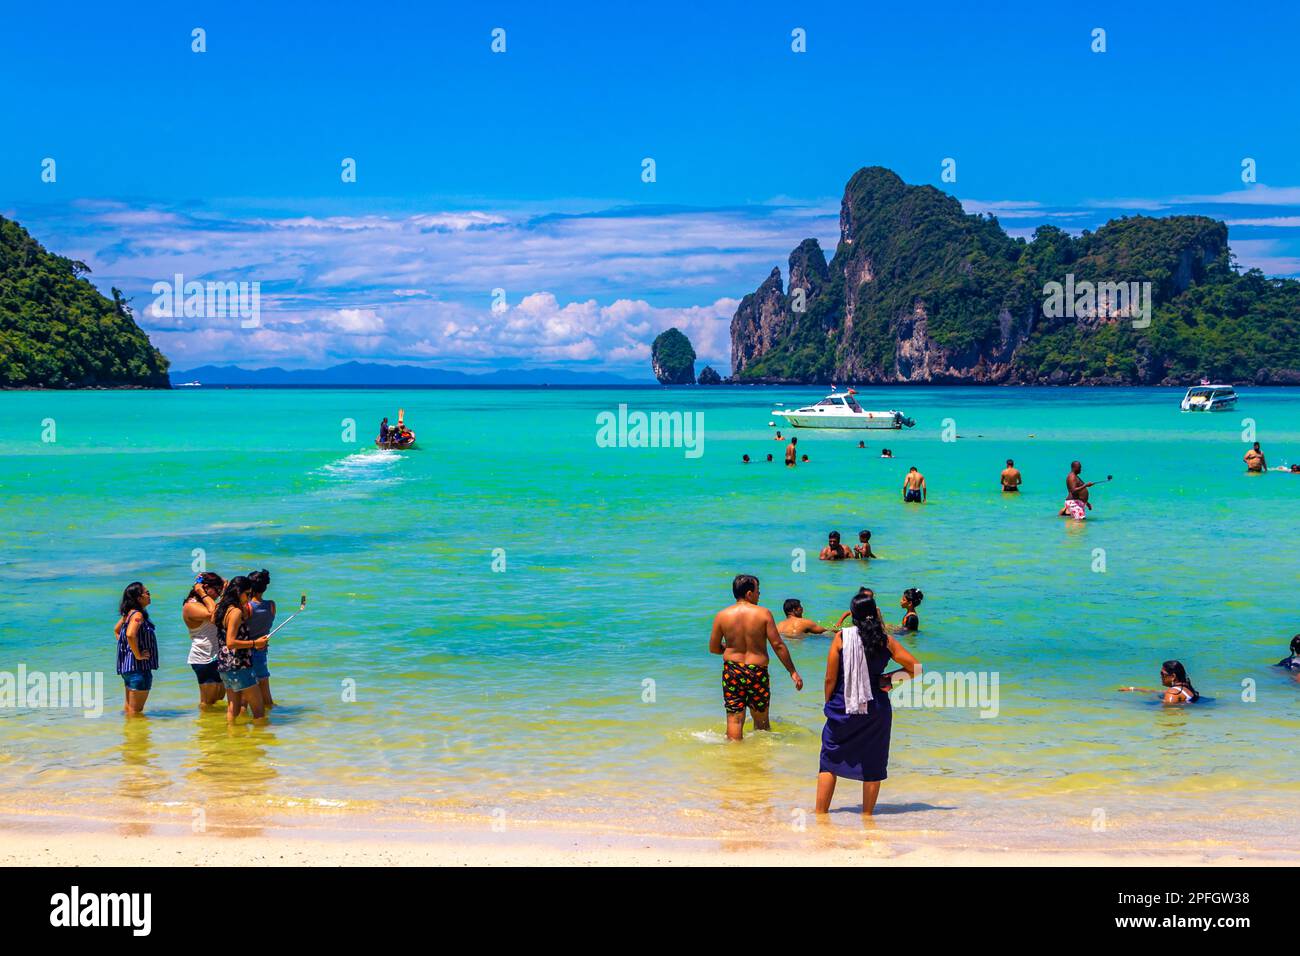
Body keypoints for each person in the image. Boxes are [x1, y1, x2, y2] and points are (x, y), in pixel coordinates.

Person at [815, 592, 919, 815]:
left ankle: (821, 814)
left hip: (844, 705)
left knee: (829, 759)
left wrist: (830, 703)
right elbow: (915, 668)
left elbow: (830, 678)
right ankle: (868, 817)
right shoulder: (886, 640)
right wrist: (888, 680)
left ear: (853, 615)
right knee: (873, 760)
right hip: (876, 708)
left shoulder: (842, 638)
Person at [708, 574, 803, 741]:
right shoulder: (763, 614)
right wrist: (792, 671)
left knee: (734, 720)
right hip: (757, 672)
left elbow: (714, 648)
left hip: (732, 671)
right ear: (749, 593)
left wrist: (730, 648)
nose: (760, 595)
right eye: (758, 591)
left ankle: (733, 758)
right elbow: (778, 645)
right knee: (761, 722)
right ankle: (760, 758)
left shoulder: (722, 615)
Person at [215, 576, 269, 723]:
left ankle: (232, 737)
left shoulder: (221, 609)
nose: (249, 598)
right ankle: (260, 743)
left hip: (224, 664)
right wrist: (254, 643)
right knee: (259, 710)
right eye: (247, 594)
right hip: (239, 665)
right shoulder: (235, 612)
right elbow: (231, 642)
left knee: (233, 708)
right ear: (239, 592)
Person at [183, 572, 226, 709]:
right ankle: (203, 729)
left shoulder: (208, 603)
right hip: (203, 658)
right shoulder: (190, 606)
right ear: (205, 588)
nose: (218, 594)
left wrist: (225, 589)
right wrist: (201, 592)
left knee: (219, 698)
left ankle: (214, 729)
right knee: (208, 703)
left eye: (220, 591)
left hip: (216, 656)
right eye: (217, 590)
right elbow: (214, 614)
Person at [115, 582, 159, 717]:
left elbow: (117, 631)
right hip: (138, 668)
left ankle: (129, 736)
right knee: (135, 713)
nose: (149, 595)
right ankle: (136, 738)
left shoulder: (128, 614)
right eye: (147, 593)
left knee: (129, 710)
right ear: (139, 598)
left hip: (128, 668)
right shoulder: (137, 616)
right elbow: (129, 635)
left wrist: (127, 650)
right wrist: (138, 655)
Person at [246, 569, 277, 709]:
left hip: (246, 651)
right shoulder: (271, 605)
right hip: (262, 650)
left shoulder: (247, 607)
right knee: (264, 686)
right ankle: (269, 718)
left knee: (244, 691)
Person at [1118, 660, 1200, 704]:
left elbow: (1169, 713)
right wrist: (1133, 689)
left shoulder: (1172, 693)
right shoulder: (1185, 688)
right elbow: (1156, 691)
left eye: (1162, 674)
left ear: (1173, 677)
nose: (1160, 676)